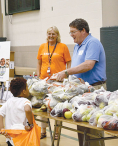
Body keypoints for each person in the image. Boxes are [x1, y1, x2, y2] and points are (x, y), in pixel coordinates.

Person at [56, 18, 106, 146]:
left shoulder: (92, 43)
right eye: (70, 32)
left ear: (83, 30)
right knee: (81, 123)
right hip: (81, 90)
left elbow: (88, 65)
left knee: (93, 127)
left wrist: (66, 72)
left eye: (73, 32)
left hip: (94, 90)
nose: (71, 35)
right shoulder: (78, 45)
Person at [37, 26, 71, 139]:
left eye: (53, 34)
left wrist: (67, 75)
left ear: (57, 35)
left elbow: (69, 63)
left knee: (57, 107)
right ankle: (43, 131)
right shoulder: (42, 46)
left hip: (58, 82)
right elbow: (39, 62)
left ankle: (57, 132)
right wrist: (38, 75)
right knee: (44, 106)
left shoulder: (63, 47)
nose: (51, 36)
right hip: (44, 81)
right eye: (49, 34)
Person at [0, 77, 34, 146]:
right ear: (24, 91)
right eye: (27, 87)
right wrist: (30, 124)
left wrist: (2, 128)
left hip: (10, 138)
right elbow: (27, 109)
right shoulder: (26, 101)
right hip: (22, 138)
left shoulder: (9, 101)